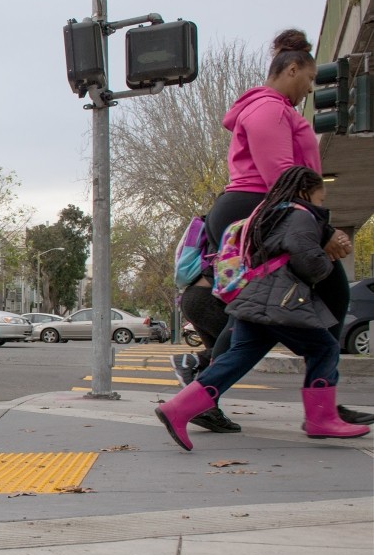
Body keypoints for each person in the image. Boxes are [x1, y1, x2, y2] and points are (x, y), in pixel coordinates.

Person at [172, 29, 356, 428]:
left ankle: (201, 397)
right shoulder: (268, 109)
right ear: (292, 69)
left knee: (255, 316)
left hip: (265, 208)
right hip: (265, 208)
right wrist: (320, 231)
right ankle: (320, 404)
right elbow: (280, 175)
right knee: (326, 295)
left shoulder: (272, 108)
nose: (309, 90)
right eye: (308, 80)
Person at [156, 167, 368, 451]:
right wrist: (324, 265)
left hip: (253, 296)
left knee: (238, 357)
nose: (320, 206)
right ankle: (322, 418)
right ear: (305, 193)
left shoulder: (267, 214)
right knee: (325, 348)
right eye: (319, 199)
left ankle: (178, 409)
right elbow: (304, 255)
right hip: (279, 301)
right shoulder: (300, 215)